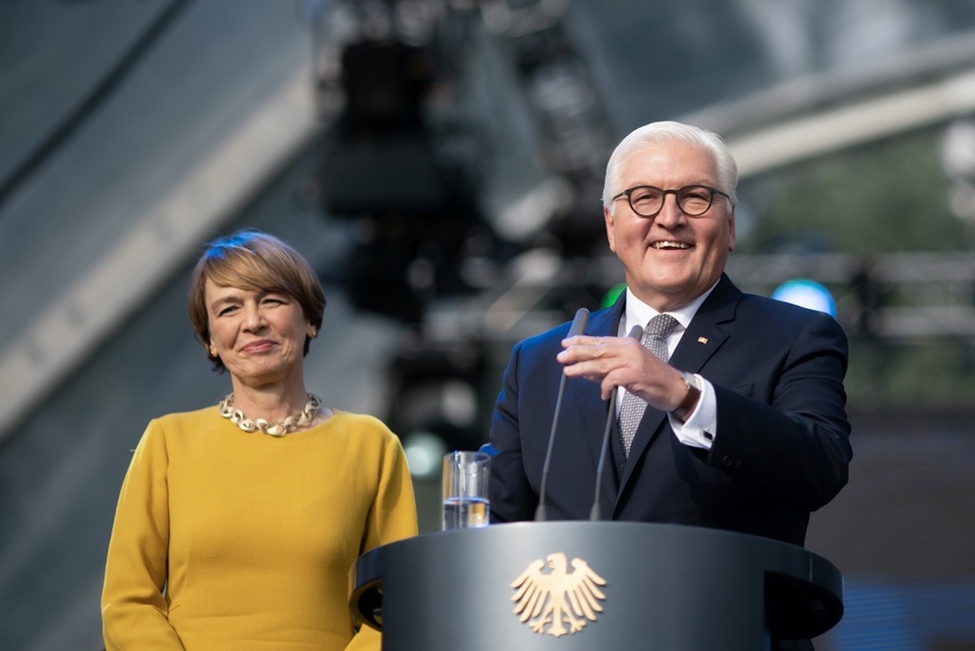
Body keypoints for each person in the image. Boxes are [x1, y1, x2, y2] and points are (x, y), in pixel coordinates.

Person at [489, 121, 851, 548]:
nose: (669, 218)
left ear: (730, 225)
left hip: (719, 610)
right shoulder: (537, 361)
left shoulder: (795, 337)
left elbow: (820, 467)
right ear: (610, 225)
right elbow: (496, 527)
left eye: (695, 198)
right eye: (644, 198)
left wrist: (686, 397)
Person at [101, 229, 417, 650]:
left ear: (310, 320)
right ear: (211, 339)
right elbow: (127, 603)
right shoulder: (167, 442)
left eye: (272, 300)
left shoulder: (371, 445)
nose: (253, 322)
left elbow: (393, 607)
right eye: (230, 308)